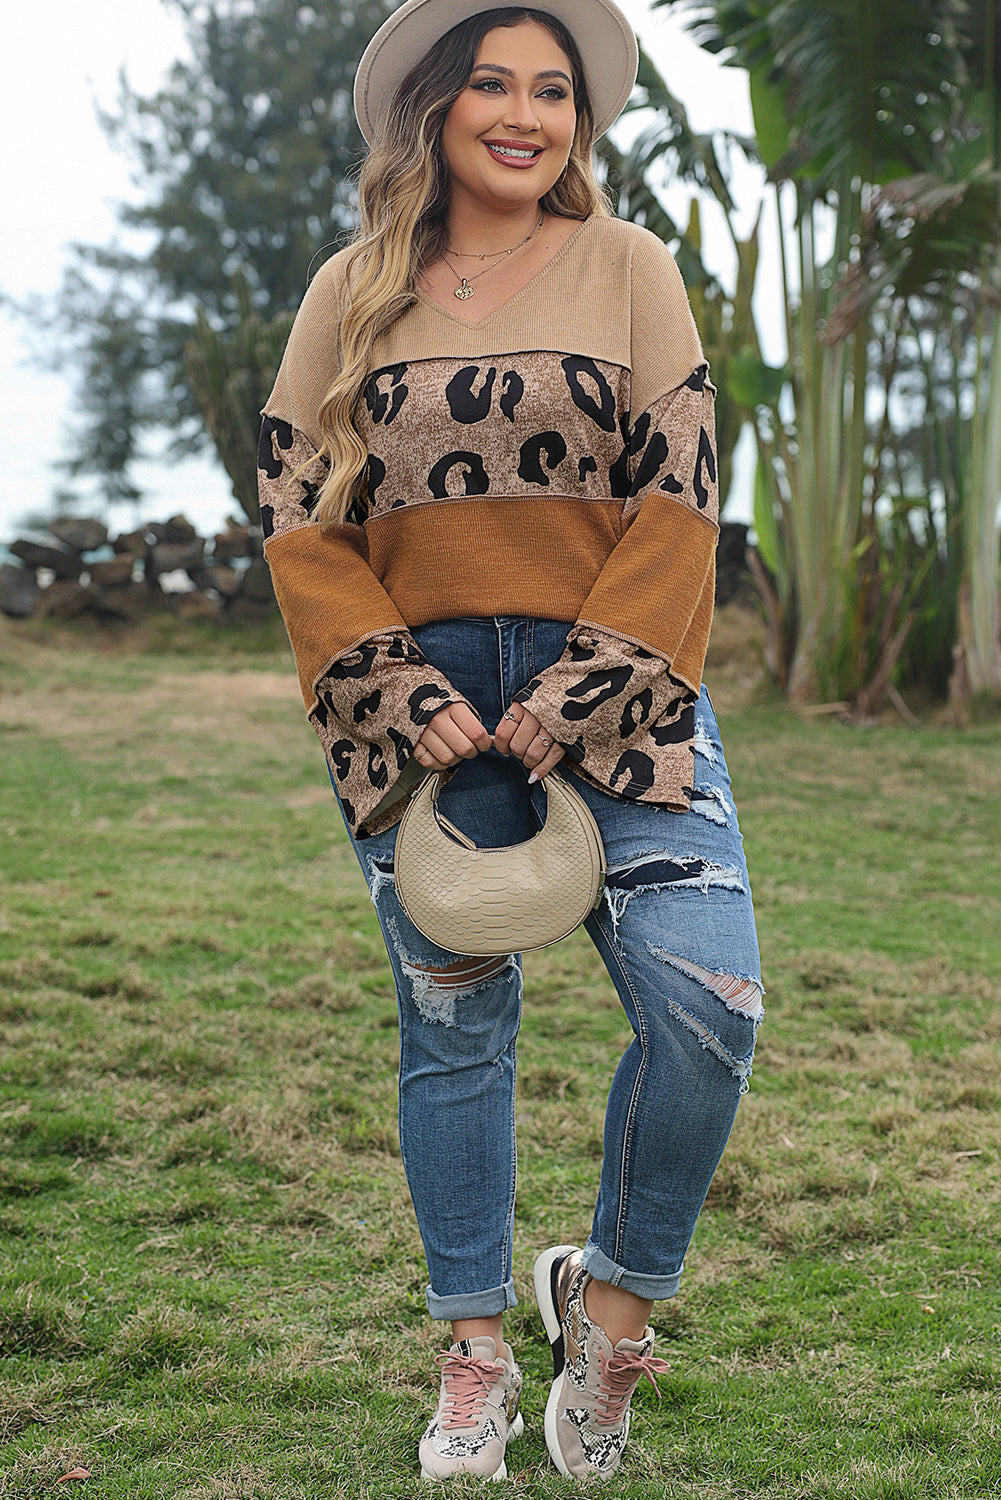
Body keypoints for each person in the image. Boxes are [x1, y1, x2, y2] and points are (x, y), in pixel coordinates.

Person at [259, 0, 762, 1481]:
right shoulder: (348, 293)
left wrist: (579, 690)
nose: (525, 114)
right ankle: (471, 1349)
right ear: (435, 102)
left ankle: (604, 1312)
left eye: (553, 90)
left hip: (622, 689)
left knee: (708, 1009)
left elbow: (679, 496)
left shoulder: (631, 270)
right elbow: (300, 522)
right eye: (493, 83)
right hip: (421, 709)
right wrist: (410, 699)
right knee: (457, 1032)